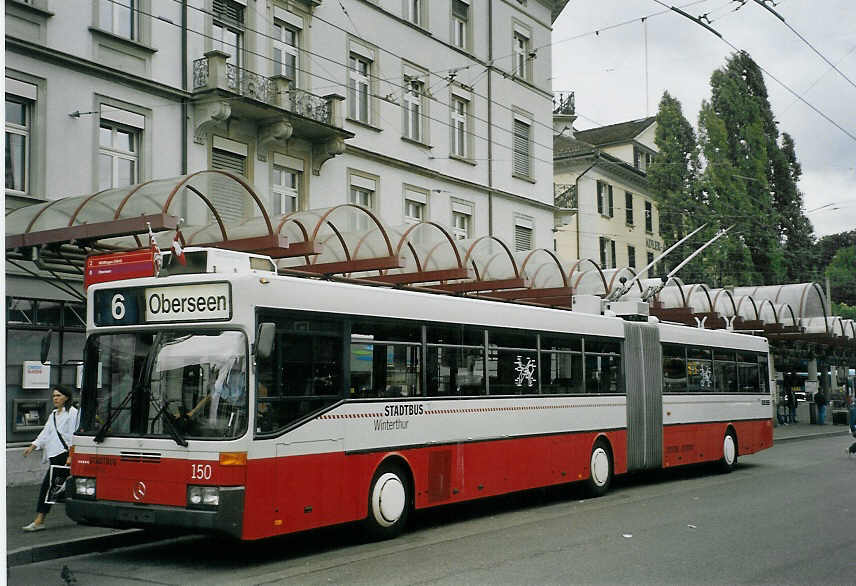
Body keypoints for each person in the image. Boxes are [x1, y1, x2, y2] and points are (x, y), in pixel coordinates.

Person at [21, 386, 80, 531]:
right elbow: (46, 432)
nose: (55, 398)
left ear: (66, 397)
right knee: (60, 488)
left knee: (48, 488)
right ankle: (86, 512)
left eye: (58, 396)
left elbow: (74, 436)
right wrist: (33, 446)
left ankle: (39, 520)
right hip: (54, 455)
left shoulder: (72, 413)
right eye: (54, 396)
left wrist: (71, 456)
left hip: (64, 455)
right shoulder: (54, 414)